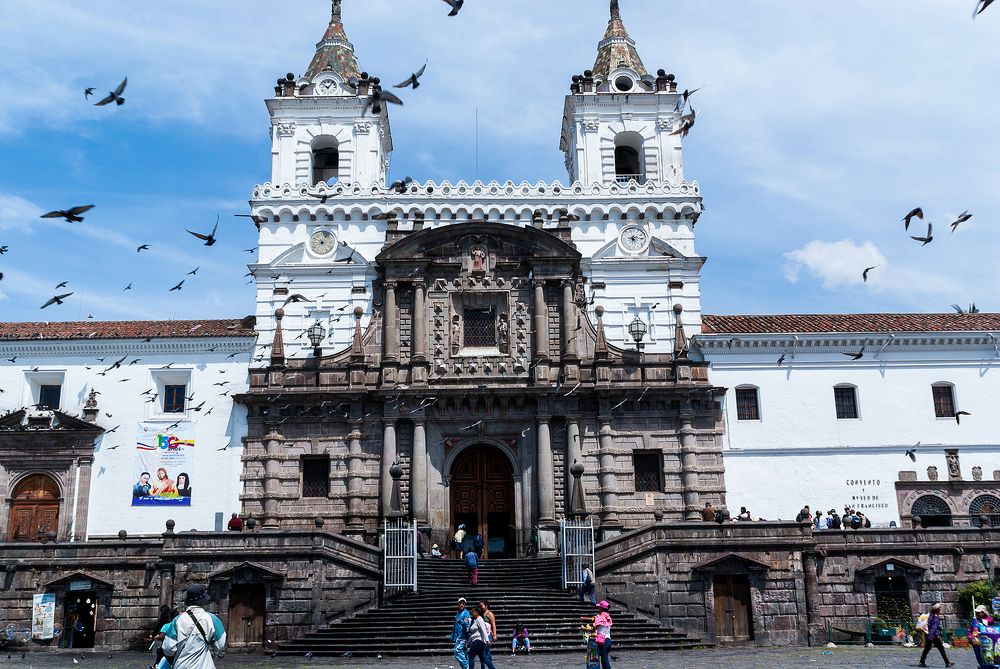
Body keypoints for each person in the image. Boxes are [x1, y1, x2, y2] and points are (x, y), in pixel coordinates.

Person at [162, 585, 226, 669]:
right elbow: (220, 645)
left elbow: (168, 649)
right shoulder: (212, 619)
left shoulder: (177, 620)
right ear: (203, 601)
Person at [919, 603, 955, 668]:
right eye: (939, 608)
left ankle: (922, 661)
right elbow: (934, 628)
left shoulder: (930, 615)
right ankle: (947, 662)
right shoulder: (936, 617)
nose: (940, 609)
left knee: (927, 648)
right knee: (941, 648)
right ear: (936, 609)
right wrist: (932, 636)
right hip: (933, 636)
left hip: (927, 634)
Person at [969, 604, 994, 669]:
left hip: (987, 642)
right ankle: (982, 666)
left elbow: (990, 622)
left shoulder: (989, 619)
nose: (977, 614)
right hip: (976, 642)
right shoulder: (974, 620)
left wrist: (982, 622)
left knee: (988, 656)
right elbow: (970, 629)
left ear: (983, 612)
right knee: (978, 656)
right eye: (976, 613)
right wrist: (970, 637)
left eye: (978, 613)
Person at [451, 598, 471, 669]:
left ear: (465, 605)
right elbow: (455, 626)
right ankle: (466, 666)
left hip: (463, 636)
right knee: (463, 652)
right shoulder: (458, 613)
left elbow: (467, 625)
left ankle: (466, 666)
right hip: (459, 636)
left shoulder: (466, 613)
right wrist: (453, 636)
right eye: (460, 603)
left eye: (463, 603)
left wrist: (461, 622)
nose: (461, 604)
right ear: (458, 604)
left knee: (457, 651)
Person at [593, 600, 614, 669]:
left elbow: (594, 628)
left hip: (602, 641)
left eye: (599, 608)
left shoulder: (599, 617)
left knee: (603, 660)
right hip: (608, 641)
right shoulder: (608, 617)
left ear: (601, 609)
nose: (598, 609)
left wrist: (584, 629)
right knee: (604, 659)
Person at [479, 600, 497, 666]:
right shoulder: (480, 614)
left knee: (483, 652)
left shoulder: (490, 614)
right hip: (482, 635)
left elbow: (493, 624)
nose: (480, 607)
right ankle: (490, 666)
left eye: (482, 606)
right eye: (480, 606)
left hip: (488, 635)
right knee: (487, 652)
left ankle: (486, 666)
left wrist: (494, 635)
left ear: (486, 606)